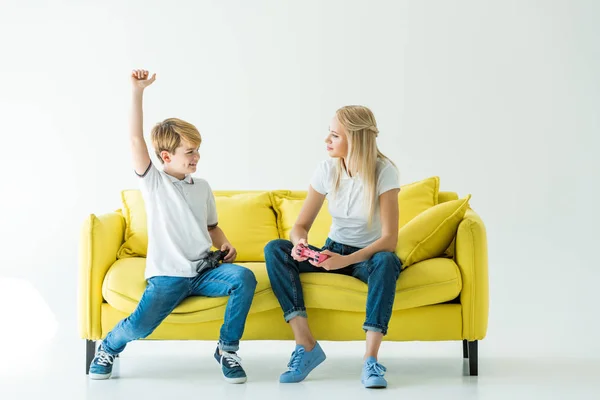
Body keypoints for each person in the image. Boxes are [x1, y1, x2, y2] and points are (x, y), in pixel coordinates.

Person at [88, 70, 257, 384]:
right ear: (166, 155)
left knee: (243, 278)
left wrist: (225, 243)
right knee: (141, 327)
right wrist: (137, 91)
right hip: (168, 277)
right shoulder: (154, 182)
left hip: (204, 271)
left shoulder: (202, 187)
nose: (197, 156)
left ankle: (228, 349)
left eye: (197, 149)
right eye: (189, 151)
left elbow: (212, 227)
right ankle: (109, 347)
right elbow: (136, 139)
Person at [264, 105, 402, 388]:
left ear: (356, 139)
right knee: (275, 249)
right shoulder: (327, 169)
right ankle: (306, 345)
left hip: (368, 257)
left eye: (334, 135)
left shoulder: (384, 171)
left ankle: (370, 360)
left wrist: (346, 261)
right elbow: (299, 226)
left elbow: (389, 239)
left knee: (387, 261)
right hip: (332, 251)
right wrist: (300, 244)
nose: (327, 141)